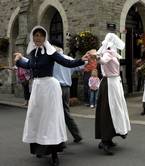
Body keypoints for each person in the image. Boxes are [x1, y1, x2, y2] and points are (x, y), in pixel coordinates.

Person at [14, 26, 87, 166]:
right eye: (36, 35)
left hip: (49, 88)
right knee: (37, 118)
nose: (38, 38)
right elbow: (29, 64)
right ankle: (41, 148)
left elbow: (67, 62)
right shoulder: (33, 52)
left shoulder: (50, 52)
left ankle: (54, 153)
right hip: (37, 88)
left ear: (44, 37)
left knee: (50, 120)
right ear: (32, 38)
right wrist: (18, 60)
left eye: (41, 35)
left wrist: (81, 60)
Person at [91, 33, 131, 155]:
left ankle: (110, 137)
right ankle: (105, 140)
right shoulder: (108, 53)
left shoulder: (113, 53)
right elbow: (102, 61)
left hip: (115, 84)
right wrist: (97, 57)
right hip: (109, 84)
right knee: (108, 111)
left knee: (116, 110)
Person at [52, 43, 83, 143]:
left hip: (56, 88)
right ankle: (77, 135)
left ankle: (58, 139)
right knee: (66, 112)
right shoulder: (68, 58)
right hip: (66, 89)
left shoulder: (52, 59)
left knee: (54, 113)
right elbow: (80, 67)